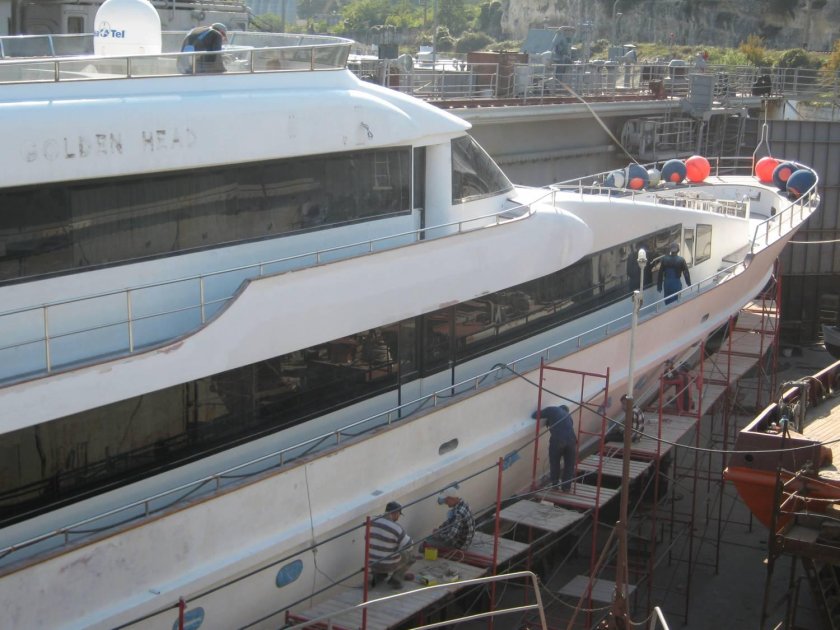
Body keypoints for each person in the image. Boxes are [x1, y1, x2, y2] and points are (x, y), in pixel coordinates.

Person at [368, 501, 414, 588]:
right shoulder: (396, 527)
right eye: (399, 515)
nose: (398, 517)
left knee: (382, 549)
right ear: (396, 513)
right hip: (388, 565)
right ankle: (396, 579)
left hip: (372, 563)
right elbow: (409, 545)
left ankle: (380, 576)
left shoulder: (372, 521)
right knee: (410, 556)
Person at [532, 405, 577, 491]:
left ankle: (555, 485)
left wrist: (547, 418)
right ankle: (566, 487)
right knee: (569, 465)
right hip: (572, 441)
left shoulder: (552, 409)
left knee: (555, 463)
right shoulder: (568, 416)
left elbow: (534, 415)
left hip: (558, 440)